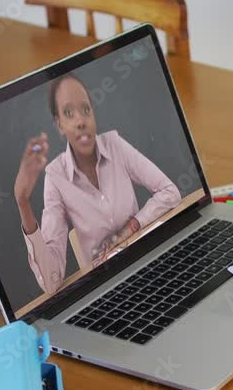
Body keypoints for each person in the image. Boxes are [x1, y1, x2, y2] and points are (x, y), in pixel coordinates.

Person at [14, 73, 181, 294]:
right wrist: (23, 202)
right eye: (69, 113)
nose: (81, 121)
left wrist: (131, 227)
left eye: (86, 110)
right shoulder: (56, 177)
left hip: (147, 264)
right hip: (107, 290)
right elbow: (52, 282)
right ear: (59, 125)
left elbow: (170, 192)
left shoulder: (115, 145)